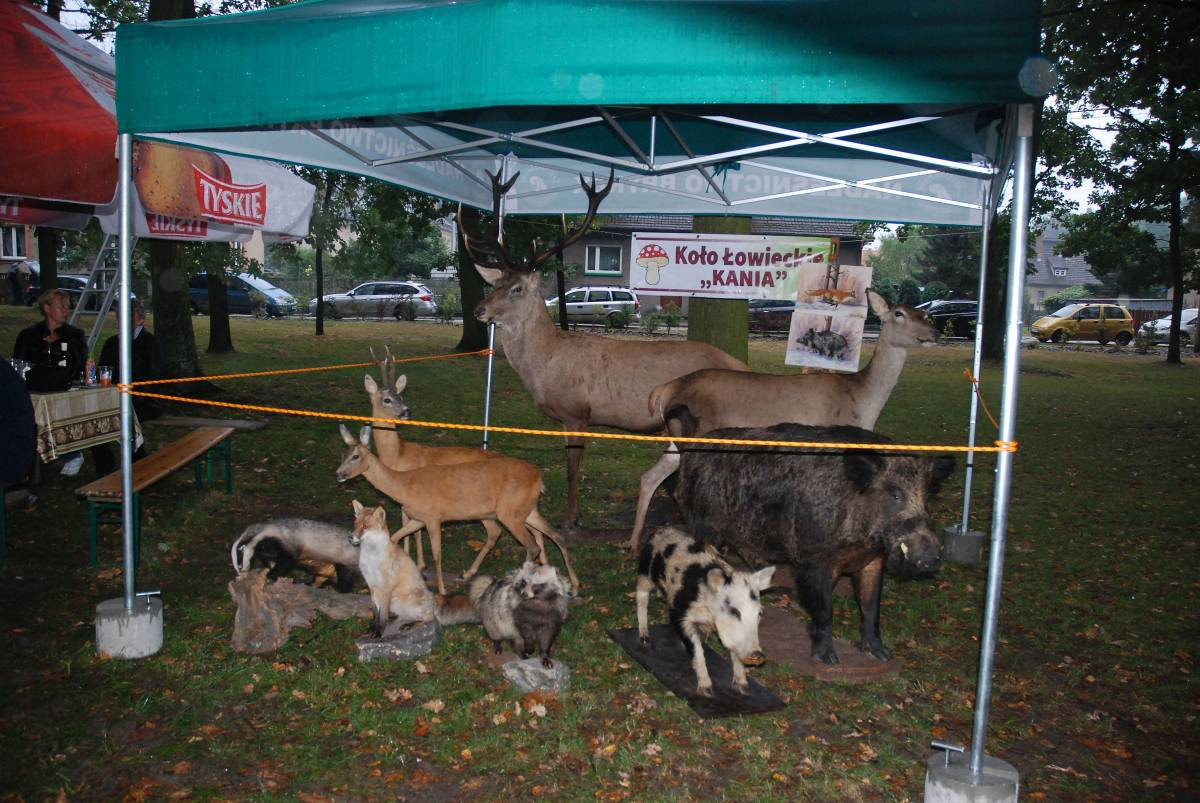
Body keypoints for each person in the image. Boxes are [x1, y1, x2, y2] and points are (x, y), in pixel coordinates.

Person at [12, 288, 112, 477]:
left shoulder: (74, 335)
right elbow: (20, 363)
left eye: (68, 307)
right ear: (47, 308)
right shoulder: (29, 335)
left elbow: (81, 363)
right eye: (62, 306)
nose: (67, 310)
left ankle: (82, 456)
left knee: (91, 412)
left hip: (67, 387)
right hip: (37, 389)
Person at [100, 299, 165, 422]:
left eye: (127, 315)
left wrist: (134, 396)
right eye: (120, 315)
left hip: (145, 402)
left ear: (140, 318)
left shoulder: (151, 343)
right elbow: (103, 371)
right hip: (114, 399)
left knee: (123, 417)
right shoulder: (111, 343)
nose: (122, 319)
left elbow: (156, 376)